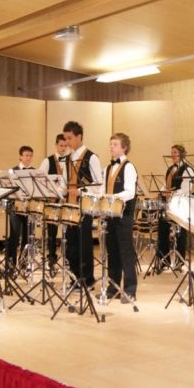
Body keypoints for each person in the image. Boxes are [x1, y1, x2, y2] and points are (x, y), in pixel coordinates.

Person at [64, 121, 104, 287]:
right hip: (70, 206)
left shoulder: (91, 157)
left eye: (70, 138)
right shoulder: (69, 158)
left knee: (83, 243)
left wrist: (80, 191)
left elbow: (98, 185)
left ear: (79, 136)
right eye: (66, 138)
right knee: (71, 244)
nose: (67, 142)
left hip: (85, 206)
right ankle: (75, 278)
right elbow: (65, 182)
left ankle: (87, 279)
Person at [100, 133, 138, 302]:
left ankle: (130, 290)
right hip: (110, 215)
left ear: (124, 148)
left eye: (115, 144)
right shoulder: (107, 168)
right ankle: (112, 288)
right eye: (110, 144)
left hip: (124, 216)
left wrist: (112, 198)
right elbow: (102, 190)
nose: (111, 147)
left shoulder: (129, 167)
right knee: (112, 252)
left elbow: (130, 192)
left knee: (126, 252)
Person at [157, 144, 194, 271]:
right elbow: (165, 185)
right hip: (168, 204)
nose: (172, 155)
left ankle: (180, 262)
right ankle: (164, 261)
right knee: (162, 229)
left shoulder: (188, 170)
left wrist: (171, 193)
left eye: (175, 152)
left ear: (181, 154)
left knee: (180, 233)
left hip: (181, 205)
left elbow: (186, 189)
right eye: (171, 152)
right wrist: (160, 192)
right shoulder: (170, 169)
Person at [38, 134, 69, 266]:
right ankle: (51, 256)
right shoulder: (47, 161)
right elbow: (40, 179)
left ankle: (68, 257)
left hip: (67, 199)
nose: (63, 148)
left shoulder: (70, 161)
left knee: (69, 230)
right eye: (61, 145)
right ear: (56, 145)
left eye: (65, 146)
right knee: (52, 231)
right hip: (52, 200)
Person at [6, 145, 34, 269]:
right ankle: (11, 263)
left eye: (30, 156)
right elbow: (10, 188)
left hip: (29, 208)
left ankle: (23, 263)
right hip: (15, 207)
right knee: (15, 234)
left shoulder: (34, 172)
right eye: (26, 155)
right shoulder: (12, 171)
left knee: (28, 236)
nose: (28, 158)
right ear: (20, 157)